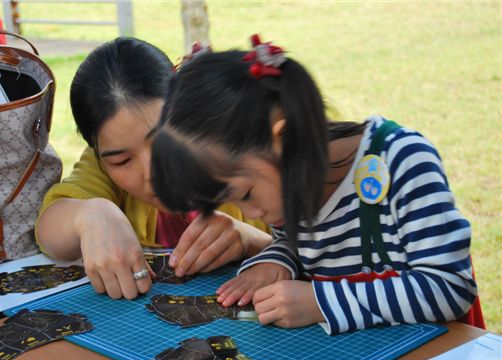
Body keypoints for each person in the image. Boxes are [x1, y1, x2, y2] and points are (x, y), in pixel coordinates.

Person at [150, 35, 480, 334]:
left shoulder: (401, 161)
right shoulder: (289, 179)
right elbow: (299, 245)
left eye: (246, 195)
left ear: (286, 138)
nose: (253, 213)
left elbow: (449, 288)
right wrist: (275, 261)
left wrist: (320, 302)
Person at [36, 37, 271, 301]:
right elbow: (50, 232)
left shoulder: (246, 148)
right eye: (122, 161)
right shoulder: (100, 171)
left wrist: (251, 241)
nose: (153, 172)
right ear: (100, 156)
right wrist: (89, 214)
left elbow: (319, 251)